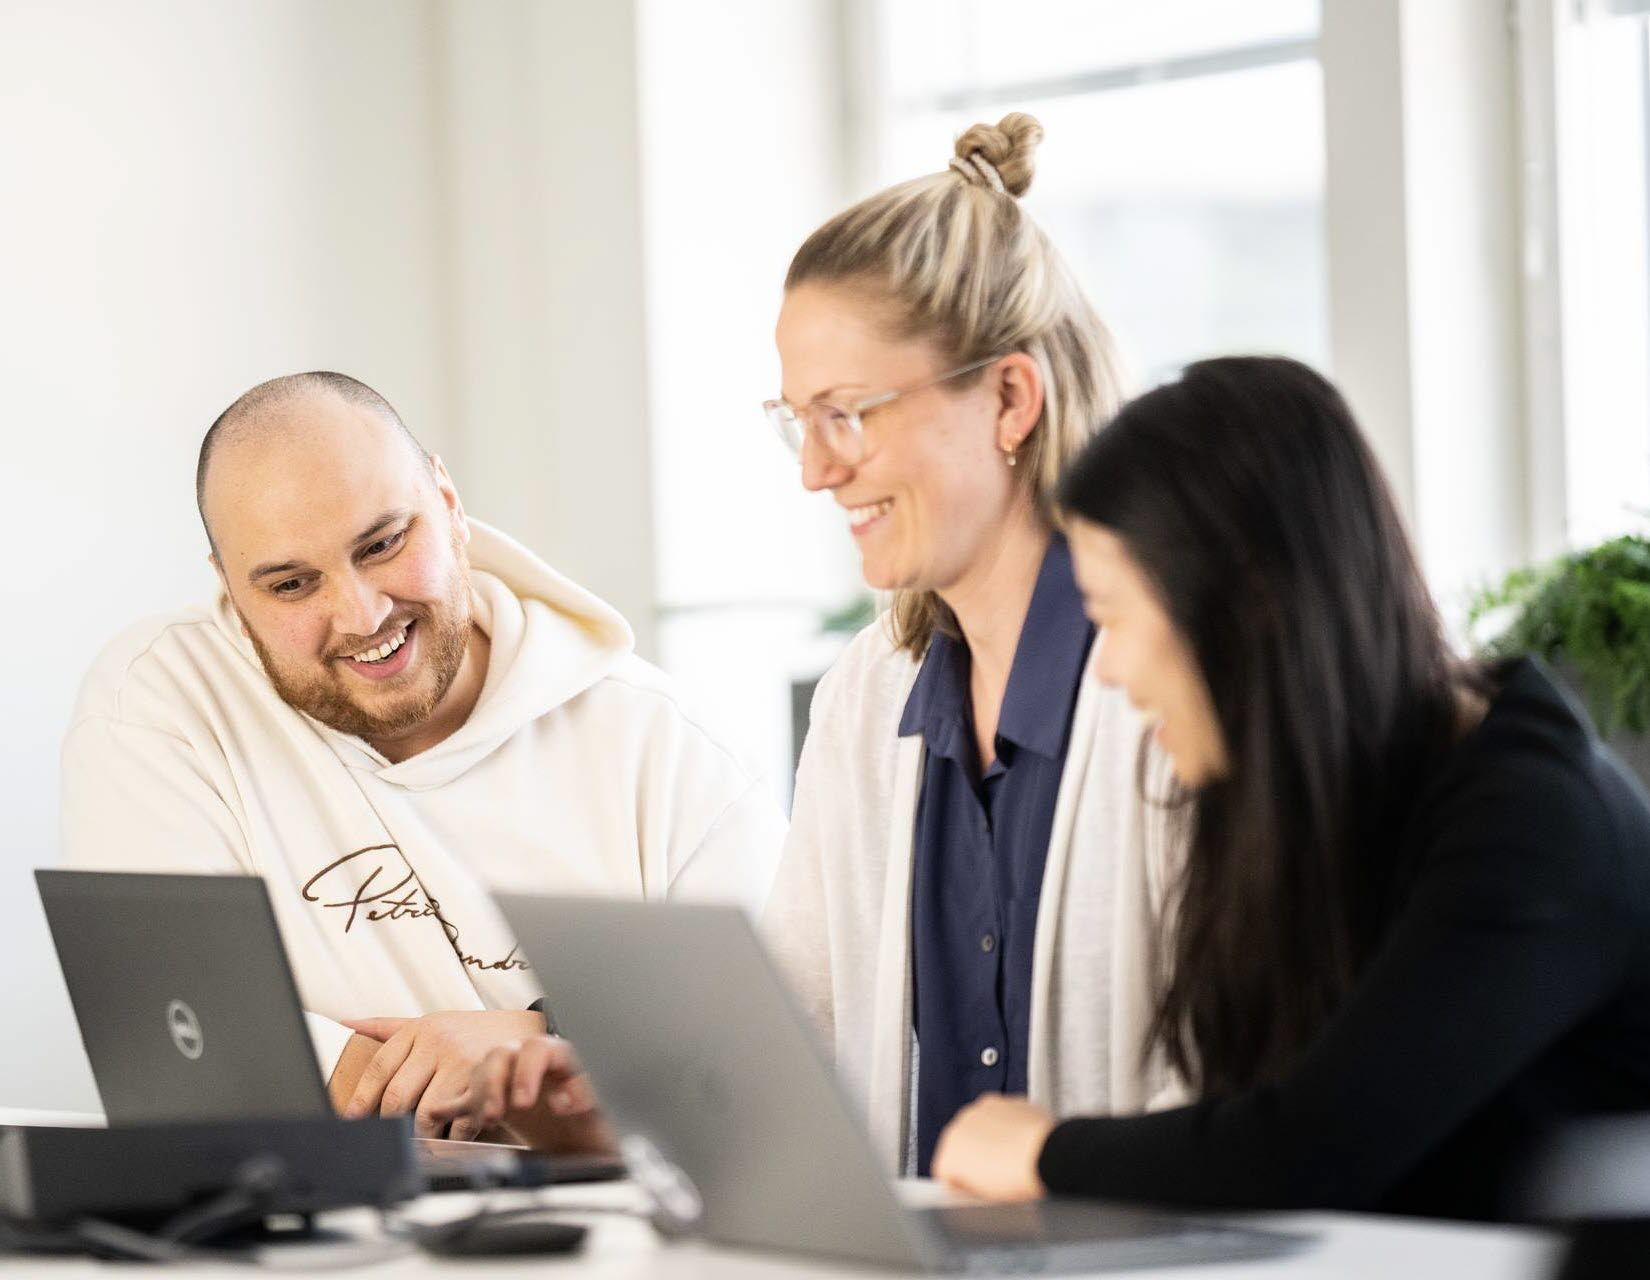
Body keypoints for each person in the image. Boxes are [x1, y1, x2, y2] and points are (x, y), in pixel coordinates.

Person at [450, 114, 1182, 1172]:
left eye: (851, 413)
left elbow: (1253, 1093)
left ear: (1009, 399)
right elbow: (792, 1060)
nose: (815, 470)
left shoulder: (1174, 683)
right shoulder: (869, 697)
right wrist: (601, 1121)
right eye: (799, 419)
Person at [932, 356, 1650, 1221]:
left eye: (1115, 616)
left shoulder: (1537, 823)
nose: (1111, 670)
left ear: (1248, 600)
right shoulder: (1300, 794)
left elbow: (1302, 1153)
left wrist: (1042, 1149)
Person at [60, 371, 785, 1136]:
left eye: (382, 544)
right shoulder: (158, 700)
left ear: (448, 501)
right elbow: (186, 1047)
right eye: (291, 584)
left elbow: (764, 1063)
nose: (361, 614)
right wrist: (582, 1063)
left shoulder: (669, 745)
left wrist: (548, 1039)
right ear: (230, 590)